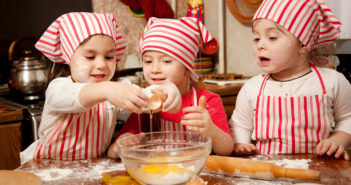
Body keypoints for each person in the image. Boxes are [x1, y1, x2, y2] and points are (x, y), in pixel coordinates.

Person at [20, 12, 181, 164]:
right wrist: (108, 89)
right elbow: (79, 95)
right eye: (90, 57)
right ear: (69, 56)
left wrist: (167, 90)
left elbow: (144, 98)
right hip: (45, 170)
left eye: (109, 57)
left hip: (92, 171)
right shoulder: (58, 88)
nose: (101, 65)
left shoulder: (114, 89)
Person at [229, 0, 351, 160]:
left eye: (272, 37)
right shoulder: (252, 88)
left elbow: (347, 118)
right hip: (268, 173)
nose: (260, 45)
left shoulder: (332, 81)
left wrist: (337, 140)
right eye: (257, 39)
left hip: (320, 170)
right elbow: (240, 126)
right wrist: (241, 144)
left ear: (303, 44)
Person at [108, 17, 234, 158]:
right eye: (148, 61)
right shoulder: (144, 102)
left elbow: (226, 149)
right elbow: (114, 150)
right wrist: (119, 147)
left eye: (166, 61)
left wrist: (210, 129)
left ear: (187, 68)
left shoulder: (207, 101)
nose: (155, 69)